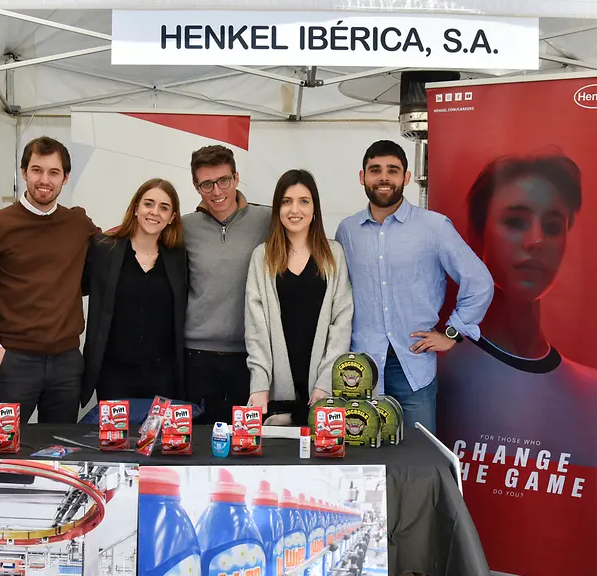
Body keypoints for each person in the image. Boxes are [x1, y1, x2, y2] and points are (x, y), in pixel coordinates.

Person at [436, 152, 597, 469]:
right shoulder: (437, 375)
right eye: (515, 222)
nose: (536, 240)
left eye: (554, 226)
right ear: (475, 235)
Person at [335, 140, 494, 433]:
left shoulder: (434, 227)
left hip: (413, 364)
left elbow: (480, 281)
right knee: (365, 462)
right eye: (375, 170)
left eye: (392, 170)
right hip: (361, 369)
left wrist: (453, 333)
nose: (384, 178)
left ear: (406, 178)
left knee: (419, 461)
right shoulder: (346, 231)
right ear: (362, 177)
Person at [0, 136, 100, 424]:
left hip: (67, 364)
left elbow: (102, 269)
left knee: (58, 457)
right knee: (2, 456)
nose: (44, 180)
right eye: (37, 170)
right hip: (15, 361)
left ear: (65, 178)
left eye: (53, 172)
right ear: (24, 173)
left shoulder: (78, 224)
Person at [245, 169, 353, 425]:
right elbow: (255, 327)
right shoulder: (262, 257)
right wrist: (259, 383)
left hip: (320, 390)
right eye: (286, 201)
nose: (295, 209)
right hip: (275, 391)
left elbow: (342, 322)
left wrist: (326, 382)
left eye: (304, 201)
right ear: (277, 209)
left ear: (314, 208)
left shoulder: (333, 254)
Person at [182, 145, 272, 424]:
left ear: (236, 177)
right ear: (196, 186)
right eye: (207, 184)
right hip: (195, 356)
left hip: (250, 355)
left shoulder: (267, 220)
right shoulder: (183, 227)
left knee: (245, 446)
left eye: (224, 180)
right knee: (193, 446)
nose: (217, 191)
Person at [81, 178, 187, 407]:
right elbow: (69, 284)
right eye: (148, 204)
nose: (154, 212)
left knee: (159, 443)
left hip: (164, 376)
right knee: (114, 442)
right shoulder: (104, 248)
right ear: (136, 207)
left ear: (172, 218)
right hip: (114, 374)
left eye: (164, 207)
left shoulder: (180, 258)